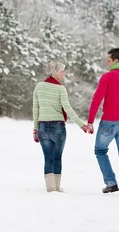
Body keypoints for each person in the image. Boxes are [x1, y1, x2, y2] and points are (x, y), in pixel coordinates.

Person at [84, 48, 119, 198]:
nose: (106, 63)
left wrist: (90, 121)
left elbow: (96, 99)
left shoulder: (107, 77)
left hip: (109, 121)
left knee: (100, 150)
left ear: (116, 61)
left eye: (108, 60)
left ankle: (111, 182)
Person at [33, 61, 88, 192]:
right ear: (55, 72)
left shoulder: (39, 87)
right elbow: (67, 108)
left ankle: (51, 188)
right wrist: (81, 124)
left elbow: (36, 109)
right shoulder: (60, 89)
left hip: (42, 126)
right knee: (57, 157)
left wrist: (35, 129)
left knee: (48, 158)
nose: (65, 73)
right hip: (58, 126)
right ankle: (56, 187)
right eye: (62, 71)